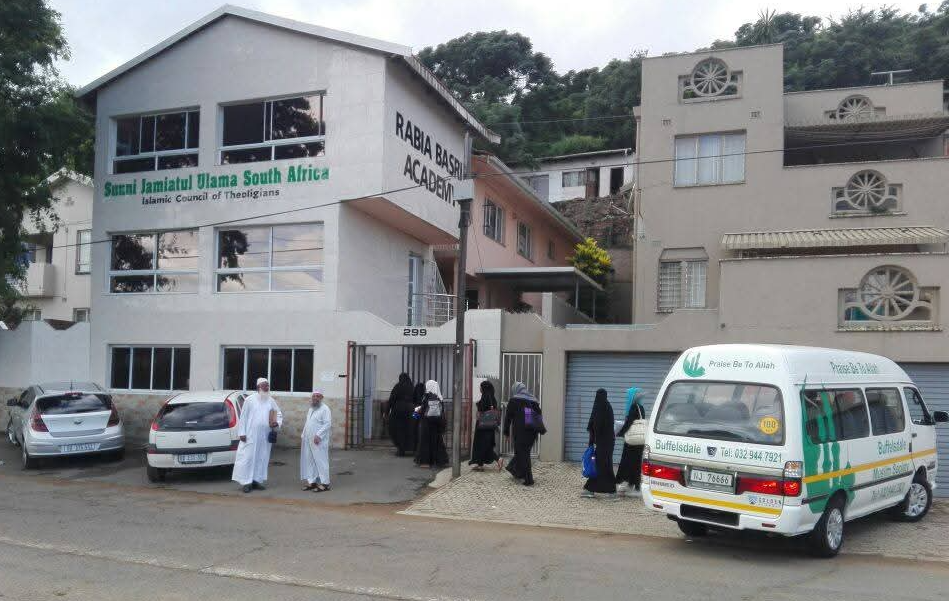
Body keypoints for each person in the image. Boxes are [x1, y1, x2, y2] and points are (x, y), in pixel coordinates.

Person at [232, 377, 283, 493]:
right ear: (258, 387)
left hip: (264, 436)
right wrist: (242, 432)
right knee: (248, 458)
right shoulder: (249, 400)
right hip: (250, 435)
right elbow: (243, 417)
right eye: (264, 385)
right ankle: (246, 483)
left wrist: (277, 423)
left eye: (268, 385)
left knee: (261, 458)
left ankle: (256, 480)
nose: (267, 387)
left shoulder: (271, 400)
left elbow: (278, 413)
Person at [503, 382, 545, 486]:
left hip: (520, 432)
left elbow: (508, 417)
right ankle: (517, 472)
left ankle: (528, 479)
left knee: (523, 454)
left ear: (515, 389)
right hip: (532, 432)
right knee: (522, 452)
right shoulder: (533, 400)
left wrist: (506, 432)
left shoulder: (514, 400)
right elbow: (539, 415)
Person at [583, 388, 617, 498]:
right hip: (607, 442)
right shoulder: (607, 406)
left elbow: (596, 425)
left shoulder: (600, 407)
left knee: (602, 465)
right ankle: (593, 489)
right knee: (602, 465)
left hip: (603, 443)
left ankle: (608, 490)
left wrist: (593, 441)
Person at [615, 387, 647, 496]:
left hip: (631, 442)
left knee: (627, 462)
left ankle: (623, 483)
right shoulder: (641, 408)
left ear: (631, 397)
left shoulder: (633, 407)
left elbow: (629, 423)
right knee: (636, 463)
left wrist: (620, 432)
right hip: (639, 441)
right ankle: (634, 485)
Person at [300, 390, 332, 492]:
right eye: (314, 396)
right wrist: (303, 434)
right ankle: (312, 482)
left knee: (321, 461)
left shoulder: (325, 409)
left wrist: (319, 435)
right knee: (309, 460)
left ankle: (325, 483)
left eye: (318, 396)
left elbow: (327, 424)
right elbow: (308, 422)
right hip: (308, 439)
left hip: (319, 440)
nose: (315, 398)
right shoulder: (311, 408)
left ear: (321, 398)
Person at [415, 380, 449, 468]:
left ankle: (425, 462)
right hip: (437, 423)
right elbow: (442, 411)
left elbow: (423, 409)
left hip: (426, 423)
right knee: (437, 441)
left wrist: (416, 413)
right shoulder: (439, 397)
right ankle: (440, 461)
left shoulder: (426, 397)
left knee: (425, 441)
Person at [469, 380, 500, 471]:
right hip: (489, 425)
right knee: (483, 444)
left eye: (481, 386)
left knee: (482, 445)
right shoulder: (492, 397)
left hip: (483, 425)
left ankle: (498, 459)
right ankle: (480, 464)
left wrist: (478, 404)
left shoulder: (486, 396)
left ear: (484, 388)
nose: (480, 388)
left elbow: (482, 409)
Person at [386, 373, 416, 457]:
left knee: (398, 430)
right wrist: (416, 415)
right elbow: (416, 400)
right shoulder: (412, 387)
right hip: (411, 411)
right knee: (410, 429)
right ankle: (411, 448)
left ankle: (401, 450)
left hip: (398, 411)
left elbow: (391, 399)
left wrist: (387, 412)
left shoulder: (397, 386)